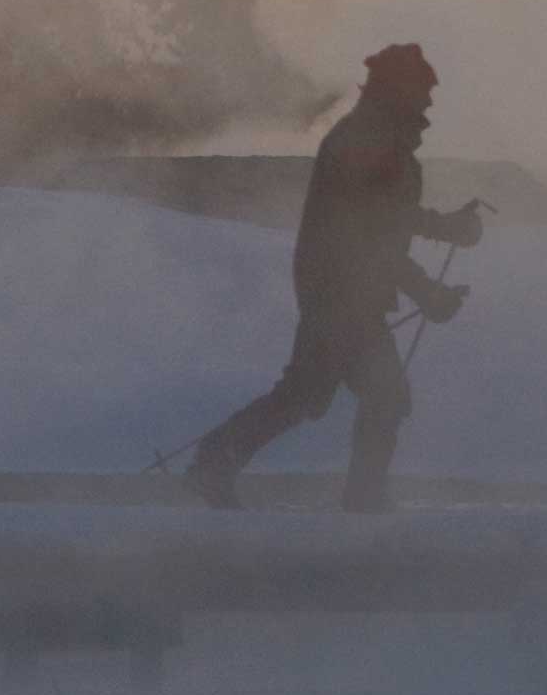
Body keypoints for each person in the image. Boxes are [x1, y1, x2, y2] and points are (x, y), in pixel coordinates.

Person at [185, 43, 487, 511]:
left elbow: (382, 236)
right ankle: (355, 498)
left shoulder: (379, 141)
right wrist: (436, 260)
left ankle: (222, 464)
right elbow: (377, 227)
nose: (429, 103)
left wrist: (427, 285)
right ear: (400, 91)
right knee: (362, 394)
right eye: (424, 92)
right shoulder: (366, 142)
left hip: (347, 292)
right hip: (340, 293)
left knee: (324, 392)